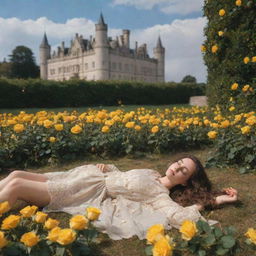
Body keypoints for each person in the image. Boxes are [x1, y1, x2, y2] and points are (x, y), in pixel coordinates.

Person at [0, 155, 238, 240]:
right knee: (16, 174)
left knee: (18, 186)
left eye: (183, 170)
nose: (176, 168)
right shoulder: (152, 174)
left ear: (185, 181)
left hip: (84, 192)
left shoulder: (160, 195)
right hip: (87, 176)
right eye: (178, 163)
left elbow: (179, 215)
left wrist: (216, 200)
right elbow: (123, 177)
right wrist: (109, 168)